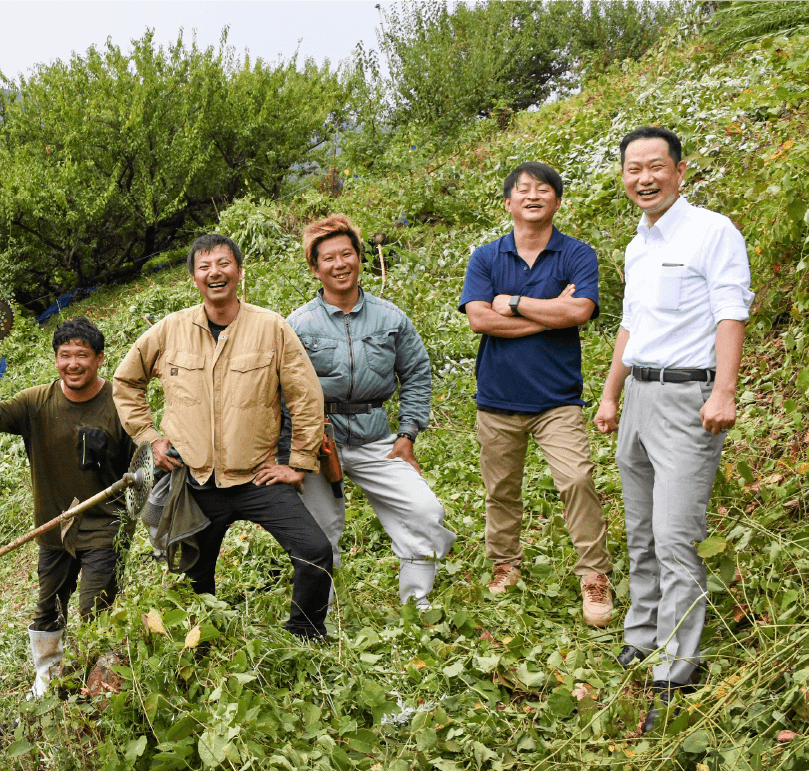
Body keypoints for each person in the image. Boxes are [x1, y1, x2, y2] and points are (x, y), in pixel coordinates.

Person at [594, 126, 752, 731]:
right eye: (633, 168)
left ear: (680, 171)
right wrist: (610, 396)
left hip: (690, 398)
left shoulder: (713, 231)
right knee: (640, 529)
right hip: (638, 394)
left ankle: (675, 668)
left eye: (655, 166)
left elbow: (731, 309)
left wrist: (724, 389)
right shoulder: (639, 242)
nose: (644, 178)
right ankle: (641, 632)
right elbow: (631, 327)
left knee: (676, 535)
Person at [112, 233, 334, 639]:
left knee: (316, 552)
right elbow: (126, 382)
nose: (215, 273)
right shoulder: (170, 331)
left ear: (239, 272)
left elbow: (305, 396)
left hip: (256, 477)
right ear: (194, 279)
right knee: (195, 576)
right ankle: (208, 643)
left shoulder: (271, 328)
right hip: (195, 481)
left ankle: (304, 635)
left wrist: (299, 463)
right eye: (204, 267)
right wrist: (150, 437)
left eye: (223, 264)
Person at [459, 162, 614, 626]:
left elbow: (581, 310)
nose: (533, 195)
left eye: (543, 189)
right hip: (498, 399)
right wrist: (552, 312)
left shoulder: (577, 254)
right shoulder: (486, 257)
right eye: (522, 190)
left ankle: (594, 577)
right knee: (501, 490)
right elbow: (480, 319)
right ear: (508, 203)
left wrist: (517, 303)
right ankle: (504, 564)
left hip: (558, 400)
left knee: (578, 481)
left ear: (557, 201)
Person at [285, 213, 456, 610]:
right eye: (328, 258)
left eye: (347, 254)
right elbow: (281, 391)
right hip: (317, 441)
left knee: (424, 510)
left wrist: (407, 433)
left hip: (376, 437)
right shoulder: (298, 325)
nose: (339, 264)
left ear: (360, 257)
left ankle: (418, 604)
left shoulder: (390, 317)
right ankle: (317, 616)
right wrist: (290, 454)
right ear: (314, 267)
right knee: (320, 531)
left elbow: (416, 373)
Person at [0, 316, 136, 697]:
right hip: (53, 528)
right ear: (56, 359)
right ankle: (46, 676)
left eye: (82, 355)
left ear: (100, 359)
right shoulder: (36, 403)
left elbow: (140, 465)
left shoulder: (119, 404)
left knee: (96, 610)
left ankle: (95, 683)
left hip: (104, 528)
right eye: (64, 355)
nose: (73, 363)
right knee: (47, 607)